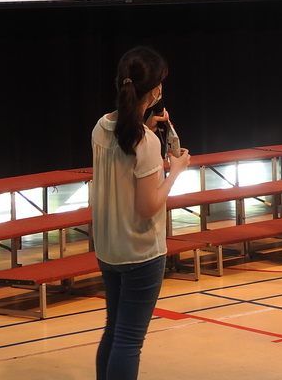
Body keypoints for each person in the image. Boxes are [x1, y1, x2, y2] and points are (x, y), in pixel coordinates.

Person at [91, 46, 191, 380]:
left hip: (109, 248)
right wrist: (176, 171)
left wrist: (145, 125)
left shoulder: (101, 126)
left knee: (114, 330)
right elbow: (148, 206)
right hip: (140, 252)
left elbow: (124, 150)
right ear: (155, 90)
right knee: (129, 339)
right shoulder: (146, 142)